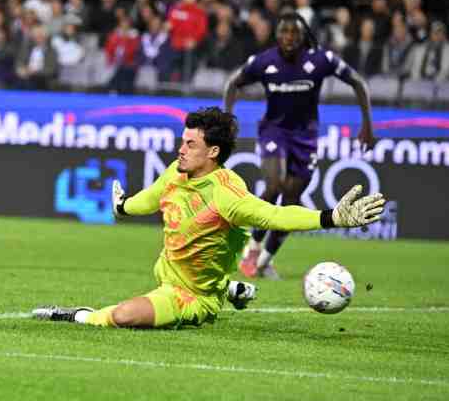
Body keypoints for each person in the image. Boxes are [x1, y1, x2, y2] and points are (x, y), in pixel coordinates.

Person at [33, 107, 385, 330]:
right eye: (182, 141)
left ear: (213, 152)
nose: (180, 149)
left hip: (190, 296)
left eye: (190, 145)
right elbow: (151, 198)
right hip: (169, 271)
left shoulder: (227, 195)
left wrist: (330, 217)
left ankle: (78, 315)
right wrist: (123, 207)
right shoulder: (175, 172)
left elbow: (276, 215)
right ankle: (228, 286)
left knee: (123, 317)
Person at [224, 12, 375, 280]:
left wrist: (367, 125)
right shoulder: (265, 61)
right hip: (274, 131)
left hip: (305, 137)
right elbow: (233, 83)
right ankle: (253, 248)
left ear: (304, 36)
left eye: (294, 33)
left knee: (291, 199)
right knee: (274, 186)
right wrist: (227, 117)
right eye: (284, 32)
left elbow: (358, 83)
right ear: (277, 36)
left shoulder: (321, 60)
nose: (289, 38)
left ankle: (264, 262)